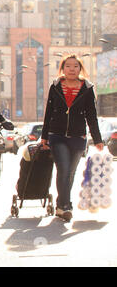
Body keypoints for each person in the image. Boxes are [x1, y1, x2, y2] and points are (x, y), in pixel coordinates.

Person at [41, 53, 103, 222]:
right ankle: (65, 206)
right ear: (62, 68)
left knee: (70, 173)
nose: (72, 69)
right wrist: (44, 136)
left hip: (78, 137)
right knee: (64, 169)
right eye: (68, 66)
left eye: (76, 66)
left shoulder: (87, 88)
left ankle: (61, 205)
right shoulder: (55, 86)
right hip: (57, 135)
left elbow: (92, 115)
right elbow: (49, 112)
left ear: (80, 68)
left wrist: (97, 139)